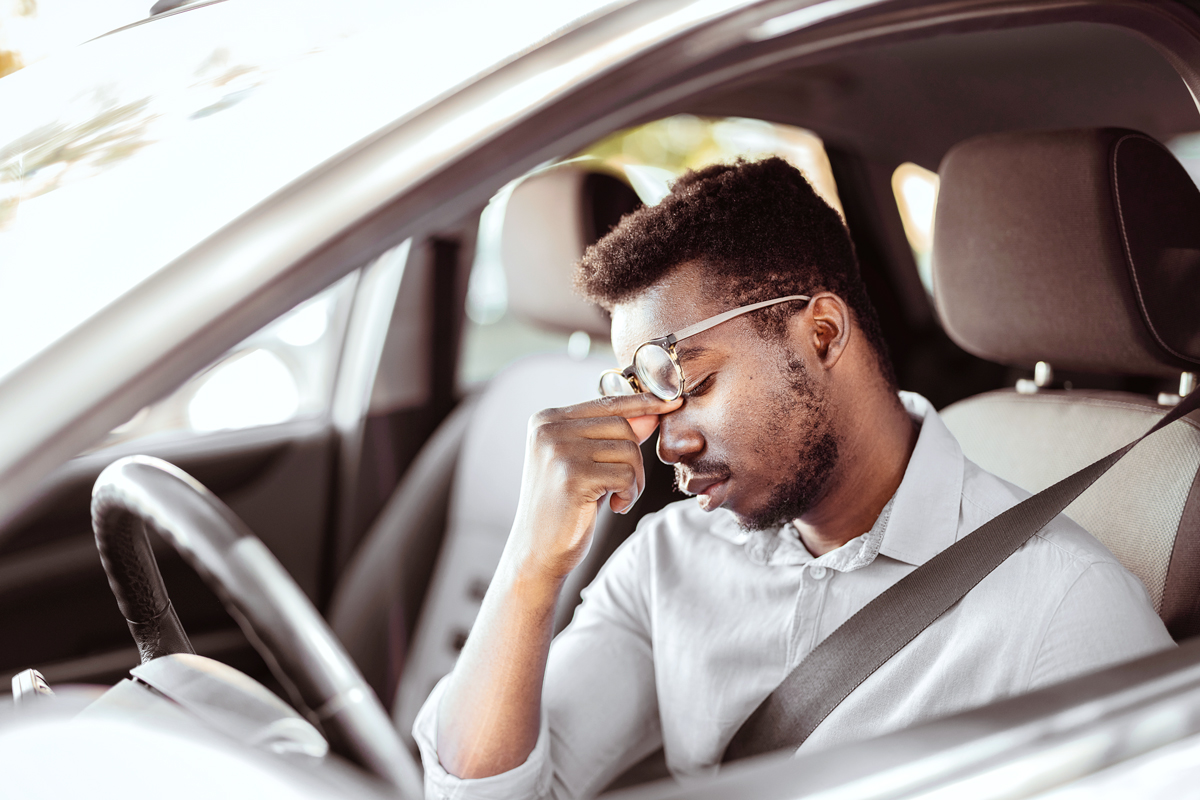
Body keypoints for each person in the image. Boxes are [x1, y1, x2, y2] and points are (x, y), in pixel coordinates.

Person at [413, 157, 1173, 799]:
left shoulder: (1062, 606)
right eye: (642, 395)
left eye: (692, 382)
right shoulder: (668, 561)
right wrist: (530, 566)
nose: (665, 440)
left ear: (821, 334)